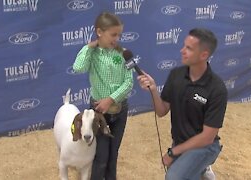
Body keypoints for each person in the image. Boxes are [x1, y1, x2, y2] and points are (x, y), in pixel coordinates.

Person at [137, 28, 227, 180]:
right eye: (184, 46)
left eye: (189, 48)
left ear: (204, 55)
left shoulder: (217, 88)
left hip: (206, 146)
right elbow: (161, 111)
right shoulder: (176, 75)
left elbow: (207, 137)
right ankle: (201, 171)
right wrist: (153, 89)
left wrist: (174, 152)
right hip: (180, 142)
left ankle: (202, 166)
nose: (182, 50)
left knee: (174, 177)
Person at [72, 12, 133, 180]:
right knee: (101, 156)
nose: (117, 38)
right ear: (99, 32)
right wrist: (89, 47)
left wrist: (111, 99)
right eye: (113, 34)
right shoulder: (92, 53)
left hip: (120, 110)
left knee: (113, 154)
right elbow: (78, 68)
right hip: (98, 113)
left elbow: (129, 82)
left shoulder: (125, 53)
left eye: (119, 35)